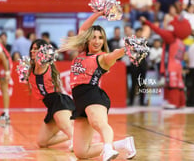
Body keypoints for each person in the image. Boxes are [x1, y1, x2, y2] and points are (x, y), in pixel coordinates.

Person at [59, 11, 137, 161]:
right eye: (93, 37)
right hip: (79, 101)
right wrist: (100, 13)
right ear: (87, 39)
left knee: (99, 123)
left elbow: (114, 54)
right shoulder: (82, 52)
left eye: (100, 38)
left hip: (93, 95)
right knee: (81, 152)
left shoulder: (102, 57)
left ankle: (108, 149)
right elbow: (83, 29)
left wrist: (127, 49)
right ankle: (122, 144)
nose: (97, 41)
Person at [27, 39, 75, 149]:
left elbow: (43, 60)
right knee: (41, 142)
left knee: (64, 125)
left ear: (42, 52)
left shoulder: (43, 65)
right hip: (51, 106)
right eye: (32, 49)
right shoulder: (30, 68)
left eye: (36, 49)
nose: (32, 51)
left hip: (59, 102)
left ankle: (75, 140)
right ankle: (75, 135)